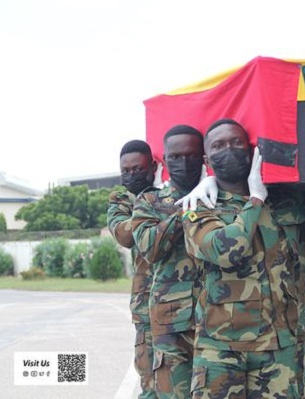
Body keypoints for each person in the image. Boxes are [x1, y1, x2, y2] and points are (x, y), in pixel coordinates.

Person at [182, 119, 305, 398]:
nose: (229, 150)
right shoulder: (199, 206)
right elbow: (225, 251)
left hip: (278, 344)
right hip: (222, 346)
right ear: (207, 158)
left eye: (237, 142)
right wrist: (254, 200)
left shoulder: (284, 200)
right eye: (219, 145)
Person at [131, 125, 205, 399]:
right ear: (164, 159)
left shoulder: (220, 196)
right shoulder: (149, 201)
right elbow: (151, 248)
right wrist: (187, 208)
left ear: (202, 158)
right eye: (175, 156)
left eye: (191, 155)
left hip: (216, 318)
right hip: (171, 322)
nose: (184, 163)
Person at [107, 139, 158, 399]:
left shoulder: (170, 194)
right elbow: (125, 234)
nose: (131, 176)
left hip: (186, 301)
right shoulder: (120, 203)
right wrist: (151, 202)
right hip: (146, 303)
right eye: (125, 171)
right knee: (150, 381)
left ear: (153, 166)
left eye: (137, 169)